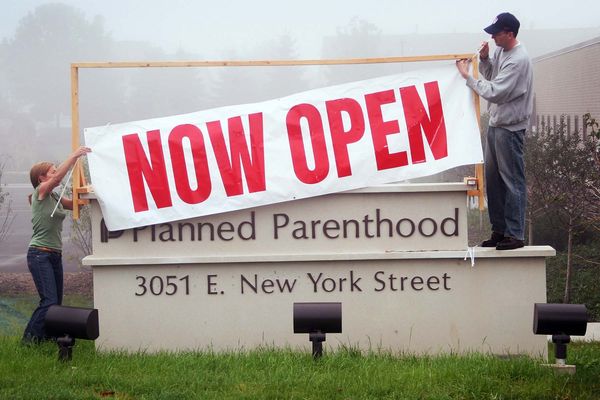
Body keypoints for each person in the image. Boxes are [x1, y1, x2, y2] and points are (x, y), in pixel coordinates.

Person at [456, 12, 533, 250]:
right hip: (496, 124)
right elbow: (493, 77)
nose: (492, 37)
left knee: (512, 182)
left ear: (510, 34)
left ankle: (515, 234)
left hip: (511, 129)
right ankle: (499, 230)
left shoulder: (518, 60)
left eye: (496, 33)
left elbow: (495, 92)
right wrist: (486, 60)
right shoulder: (501, 51)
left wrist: (468, 78)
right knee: (493, 180)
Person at [22, 146, 91, 344]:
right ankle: (29, 341)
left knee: (55, 303)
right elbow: (58, 179)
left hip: (54, 255)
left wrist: (83, 184)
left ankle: (47, 338)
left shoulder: (54, 197)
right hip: (39, 254)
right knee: (49, 302)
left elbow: (78, 203)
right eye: (52, 171)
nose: (55, 173)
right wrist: (74, 156)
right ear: (41, 178)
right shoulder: (41, 192)